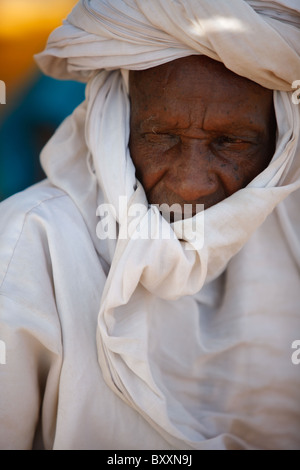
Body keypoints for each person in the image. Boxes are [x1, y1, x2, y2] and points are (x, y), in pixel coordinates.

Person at [0, 0, 300, 450]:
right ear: (114, 122)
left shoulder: (291, 228)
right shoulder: (31, 241)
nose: (192, 184)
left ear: (281, 140)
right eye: (161, 136)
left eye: (232, 142)